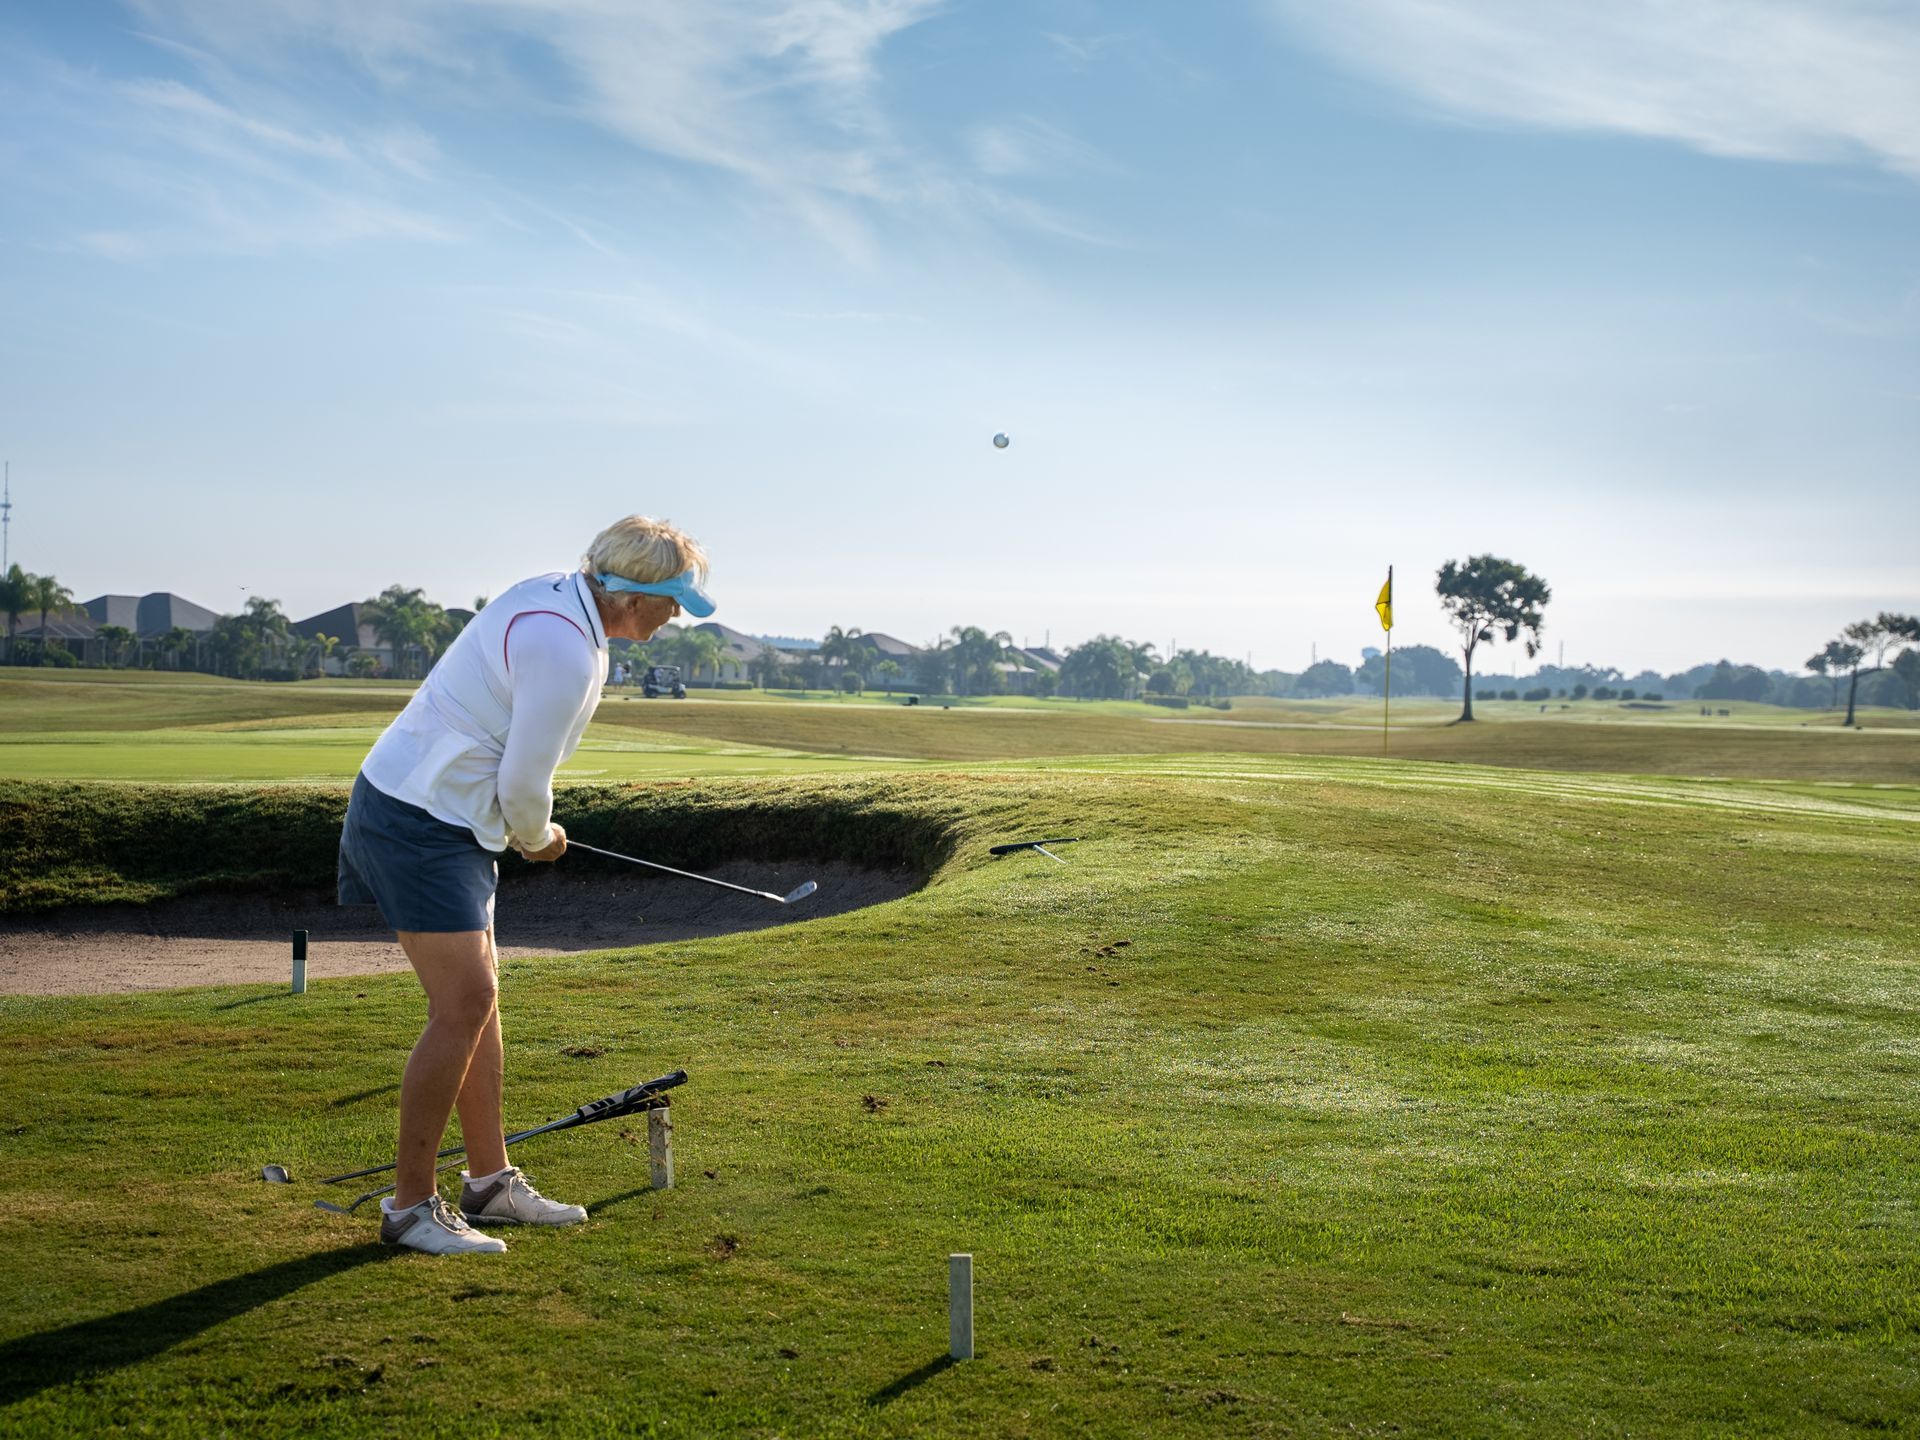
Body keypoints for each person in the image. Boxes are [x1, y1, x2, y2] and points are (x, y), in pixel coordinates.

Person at [337, 516, 714, 1254]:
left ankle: (489, 1184)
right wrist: (541, 840)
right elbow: (522, 783)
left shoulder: (565, 605)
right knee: (465, 1002)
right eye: (673, 604)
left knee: (481, 999)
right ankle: (410, 1207)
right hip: (417, 817)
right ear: (634, 597)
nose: (676, 619)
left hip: (449, 816)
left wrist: (521, 826)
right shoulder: (564, 647)